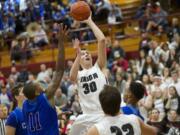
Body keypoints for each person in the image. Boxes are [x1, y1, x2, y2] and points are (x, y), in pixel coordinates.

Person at [22, 24, 68, 135]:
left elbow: (38, 122)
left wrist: (55, 115)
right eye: (37, 84)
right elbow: (60, 71)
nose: (39, 83)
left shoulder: (25, 105)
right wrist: (61, 43)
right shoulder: (46, 96)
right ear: (37, 92)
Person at [69, 14, 107, 135]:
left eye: (88, 53)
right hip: (86, 117)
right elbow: (71, 77)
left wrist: (89, 21)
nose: (86, 55)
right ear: (79, 60)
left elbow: (101, 40)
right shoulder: (78, 74)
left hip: (103, 114)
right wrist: (78, 54)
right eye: (83, 54)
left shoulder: (98, 67)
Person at [87, 85, 157, 135]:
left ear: (101, 106)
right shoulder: (135, 119)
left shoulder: (96, 130)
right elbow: (154, 131)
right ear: (120, 102)